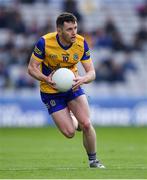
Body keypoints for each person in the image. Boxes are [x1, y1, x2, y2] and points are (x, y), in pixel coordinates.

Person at [28, 12, 105, 168]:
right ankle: (71, 116)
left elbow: (92, 73)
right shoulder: (44, 42)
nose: (74, 32)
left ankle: (94, 161)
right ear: (59, 30)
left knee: (87, 124)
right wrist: (45, 78)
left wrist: (83, 79)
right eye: (69, 29)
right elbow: (31, 68)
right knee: (69, 133)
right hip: (50, 91)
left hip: (73, 87)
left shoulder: (81, 43)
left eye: (75, 28)